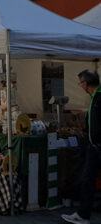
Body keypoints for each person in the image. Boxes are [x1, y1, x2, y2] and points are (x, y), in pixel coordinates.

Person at [61, 70, 101, 224]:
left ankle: (83, 214)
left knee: (88, 179)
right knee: (87, 179)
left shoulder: (99, 97)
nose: (80, 86)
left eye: (80, 83)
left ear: (85, 83)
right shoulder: (94, 97)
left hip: (97, 145)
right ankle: (83, 214)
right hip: (93, 145)